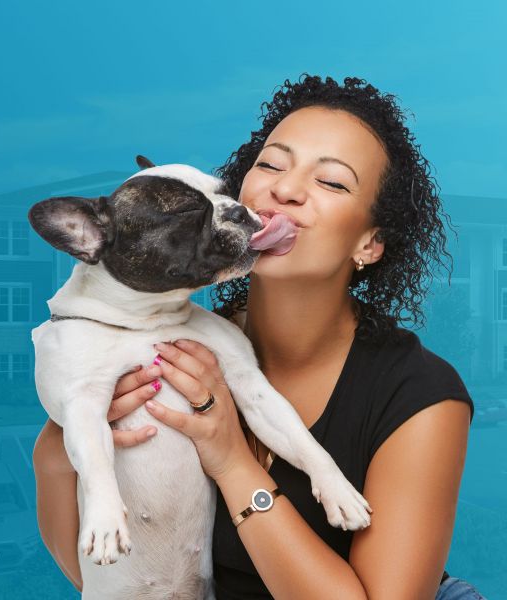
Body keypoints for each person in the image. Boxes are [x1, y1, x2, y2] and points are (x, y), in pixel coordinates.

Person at [32, 75, 484, 599]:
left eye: (332, 182)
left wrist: (231, 461)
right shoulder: (168, 342)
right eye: (270, 164)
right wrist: (59, 445)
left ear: (371, 242)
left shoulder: (419, 393)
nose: (286, 189)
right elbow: (99, 575)